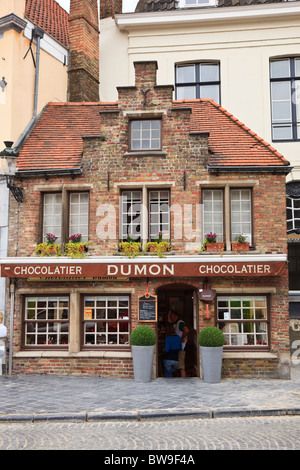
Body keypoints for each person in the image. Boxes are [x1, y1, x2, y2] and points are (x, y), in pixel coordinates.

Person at [168, 311, 189, 377]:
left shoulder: (180, 323)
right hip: (178, 346)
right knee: (179, 365)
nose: (170, 318)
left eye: (171, 316)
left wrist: (183, 337)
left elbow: (186, 330)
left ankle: (183, 380)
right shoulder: (176, 324)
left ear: (175, 315)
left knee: (181, 366)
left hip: (182, 346)